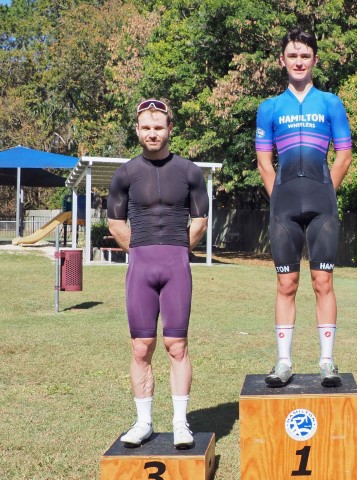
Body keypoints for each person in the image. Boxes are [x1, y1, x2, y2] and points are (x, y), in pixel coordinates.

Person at [107, 98, 209, 448]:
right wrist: (141, 250)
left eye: (159, 127)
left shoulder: (189, 171)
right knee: (141, 346)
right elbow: (116, 223)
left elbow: (199, 221)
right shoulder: (125, 174)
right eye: (146, 128)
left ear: (169, 129)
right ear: (137, 130)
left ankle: (181, 423)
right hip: (141, 266)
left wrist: (177, 250)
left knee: (176, 345)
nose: (153, 133)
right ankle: (144, 422)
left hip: (176, 265)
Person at [255, 27, 353, 388]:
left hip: (321, 205)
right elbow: (264, 163)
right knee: (286, 283)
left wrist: (325, 191)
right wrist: (279, 197)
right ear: (282, 60)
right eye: (293, 56)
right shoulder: (269, 108)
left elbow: (344, 155)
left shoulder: (330, 103)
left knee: (323, 281)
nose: (299, 62)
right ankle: (283, 362)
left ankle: (327, 361)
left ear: (315, 60)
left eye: (305, 56)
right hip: (284, 207)